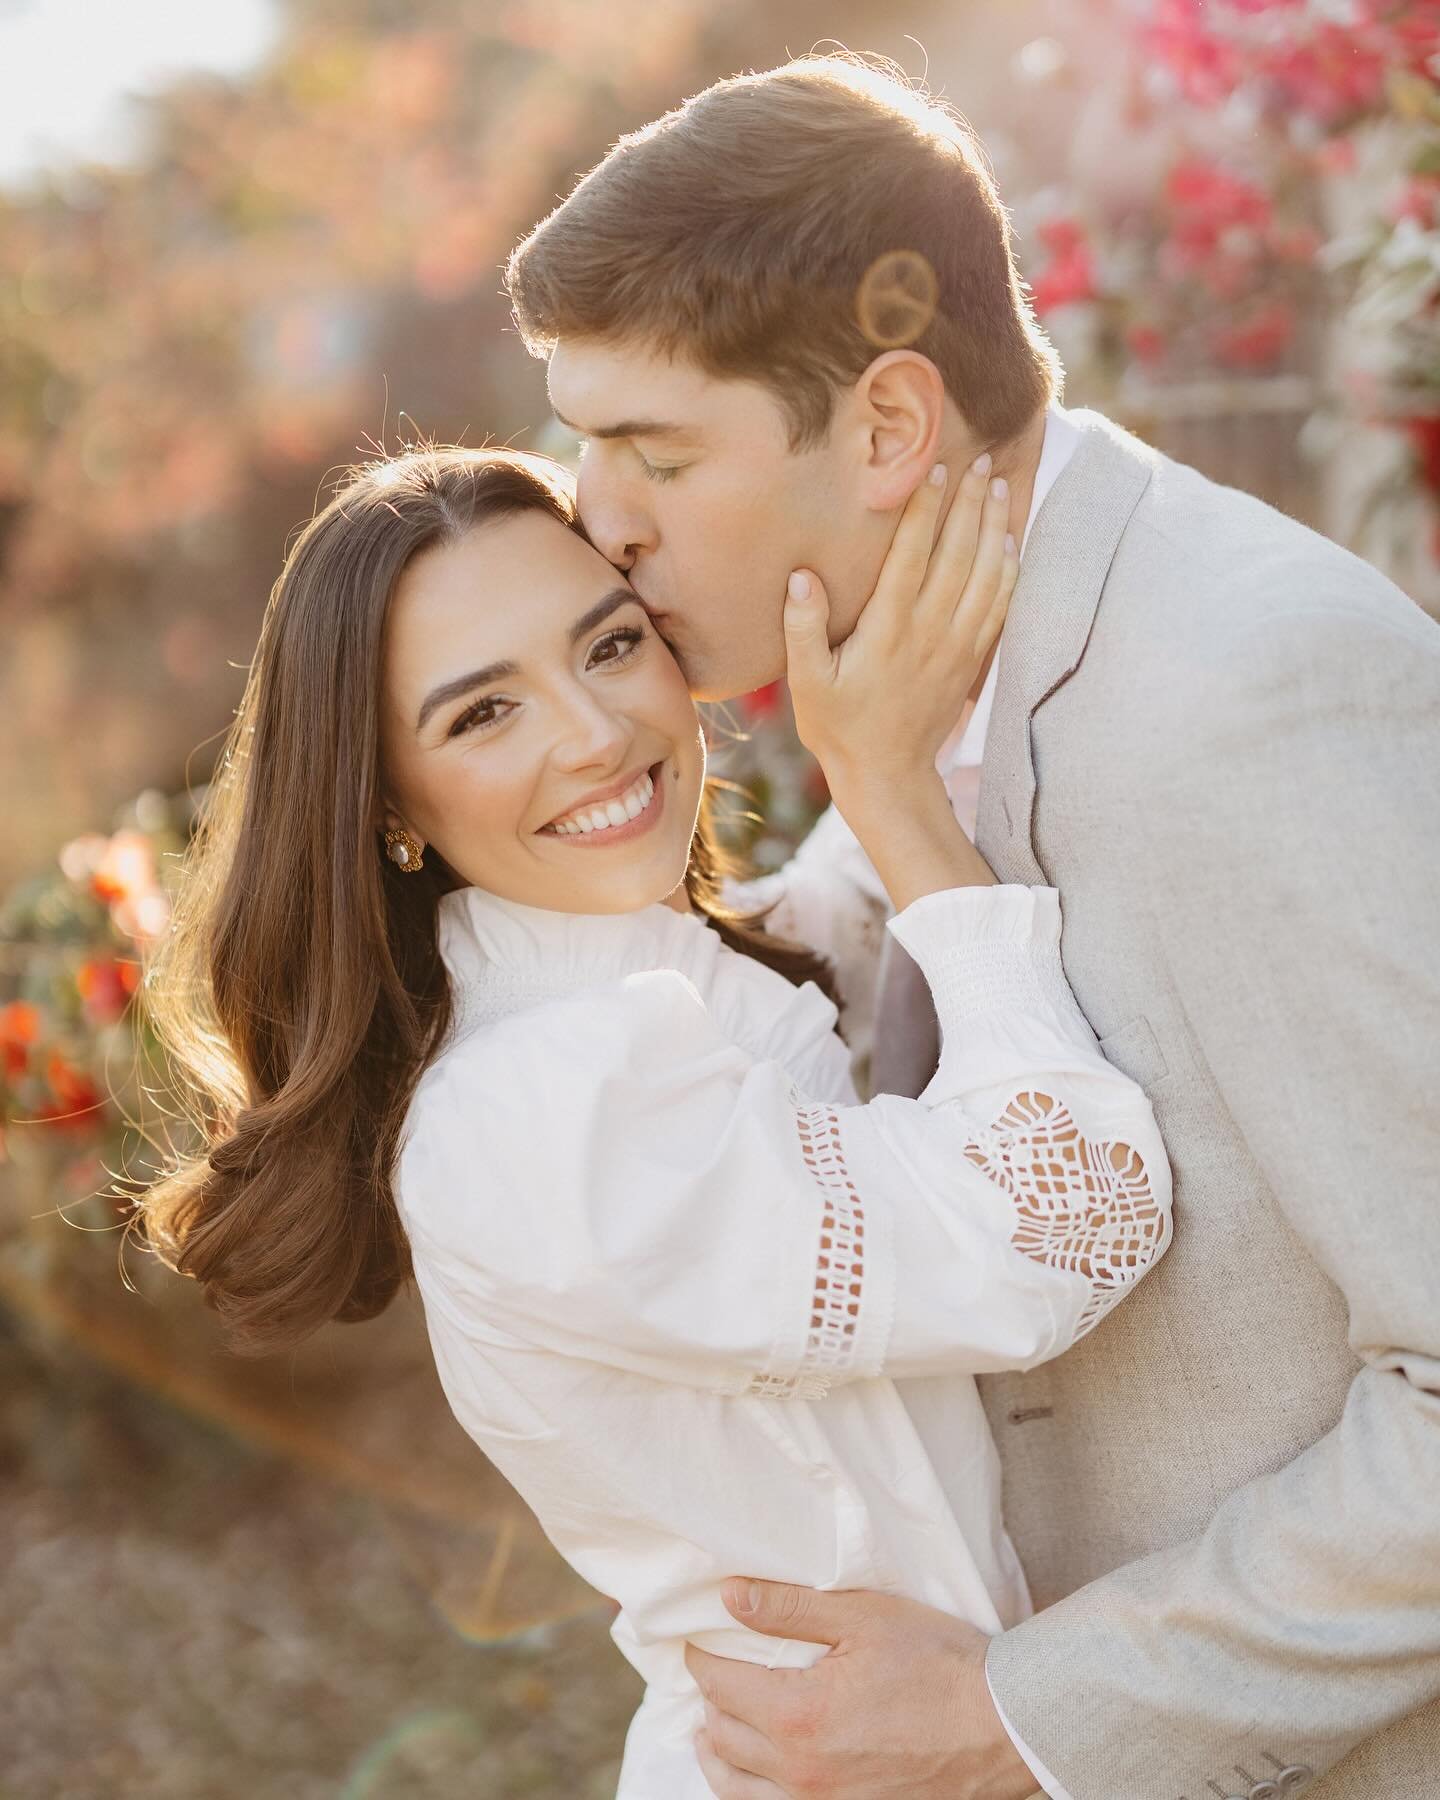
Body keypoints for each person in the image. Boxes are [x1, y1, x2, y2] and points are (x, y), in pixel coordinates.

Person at [502, 50, 1440, 1800]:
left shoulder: (1252, 706)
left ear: (886, 428)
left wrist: (1026, 1715)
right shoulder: (913, 679)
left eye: (651, 450)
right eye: (579, 441)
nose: (595, 520)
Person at [139, 442, 1172, 1798]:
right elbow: (1069, 1221)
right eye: (482, 715)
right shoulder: (542, 1110)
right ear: (387, 802)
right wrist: (898, 796)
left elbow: (825, 942)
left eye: (610, 646)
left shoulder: (629, 971)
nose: (595, 732)